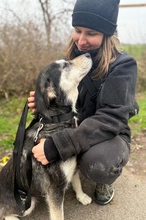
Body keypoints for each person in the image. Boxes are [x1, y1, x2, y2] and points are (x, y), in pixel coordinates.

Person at [28, 0, 138, 205]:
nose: (81, 40)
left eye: (91, 33)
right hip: (76, 128)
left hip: (108, 133)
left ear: (107, 34)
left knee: (98, 163)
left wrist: (58, 146)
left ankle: (105, 178)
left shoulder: (123, 66)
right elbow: (62, 103)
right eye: (77, 30)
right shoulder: (69, 60)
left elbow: (110, 119)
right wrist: (44, 104)